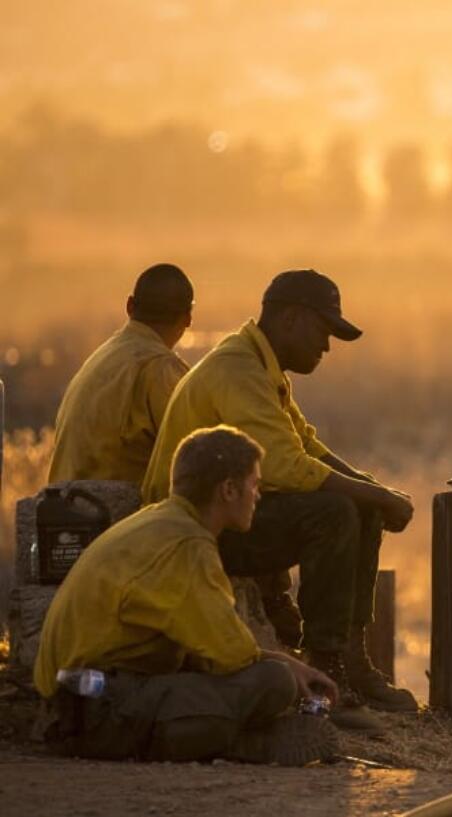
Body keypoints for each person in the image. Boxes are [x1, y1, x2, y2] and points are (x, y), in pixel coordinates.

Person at [141, 269, 416, 731]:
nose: (326, 347)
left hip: (224, 517)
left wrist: (377, 493)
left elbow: (304, 444)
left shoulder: (259, 364)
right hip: (191, 533)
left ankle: (351, 656)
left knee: (359, 505)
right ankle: (327, 669)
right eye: (323, 332)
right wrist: (373, 495)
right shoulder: (238, 369)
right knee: (334, 512)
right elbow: (285, 465)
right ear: (291, 319)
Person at [35, 425, 340, 765]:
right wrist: (288, 667)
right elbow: (231, 657)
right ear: (228, 490)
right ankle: (249, 746)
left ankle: (244, 738)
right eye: (254, 484)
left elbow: (209, 648)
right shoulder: (188, 545)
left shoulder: (159, 520)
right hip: (100, 709)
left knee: (267, 675)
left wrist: (288, 661)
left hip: (82, 700)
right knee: (274, 683)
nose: (258, 495)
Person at [47, 263, 194, 483]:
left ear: (130, 306)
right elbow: (198, 457)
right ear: (188, 319)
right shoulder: (161, 368)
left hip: (64, 507)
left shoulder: (102, 357)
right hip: (113, 513)